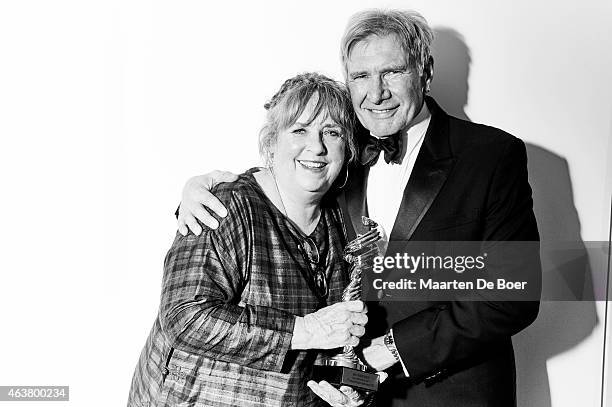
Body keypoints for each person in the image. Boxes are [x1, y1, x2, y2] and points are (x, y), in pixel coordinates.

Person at [176, 9, 541, 407]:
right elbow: (286, 176)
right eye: (361, 76)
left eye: (393, 72)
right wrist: (202, 190)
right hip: (347, 392)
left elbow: (513, 293)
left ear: (426, 71)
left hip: (452, 392)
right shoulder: (343, 151)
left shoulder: (491, 156)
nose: (376, 92)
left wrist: (390, 351)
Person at [127, 73, 372, 407]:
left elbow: (337, 346)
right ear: (271, 142)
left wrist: (356, 387)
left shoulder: (341, 221)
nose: (317, 146)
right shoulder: (226, 205)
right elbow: (185, 317)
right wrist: (304, 330)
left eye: (331, 132)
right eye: (299, 129)